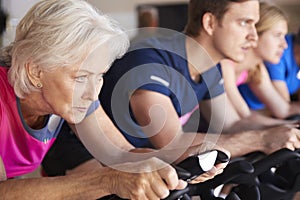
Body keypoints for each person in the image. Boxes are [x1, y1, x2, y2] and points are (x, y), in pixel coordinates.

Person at [0, 0, 197, 199]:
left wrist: (183, 158)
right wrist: (108, 180)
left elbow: (120, 153)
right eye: (81, 78)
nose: (93, 94)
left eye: (99, 76)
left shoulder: (73, 98)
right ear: (35, 71)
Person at [98, 0, 300, 158]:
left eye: (255, 25)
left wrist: (290, 131)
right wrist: (262, 139)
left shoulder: (212, 68)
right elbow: (172, 144)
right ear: (210, 23)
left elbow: (233, 122)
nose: (254, 37)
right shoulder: (149, 60)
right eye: (244, 23)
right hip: (95, 166)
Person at [221, 2, 300, 122]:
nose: (284, 45)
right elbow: (241, 117)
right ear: (255, 34)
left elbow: (284, 109)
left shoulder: (256, 69)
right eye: (277, 35)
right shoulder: (226, 64)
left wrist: (289, 127)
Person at [239, 27, 300, 115]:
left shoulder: (258, 70)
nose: (284, 45)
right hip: (254, 111)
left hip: (255, 113)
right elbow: (284, 110)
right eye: (277, 35)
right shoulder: (277, 54)